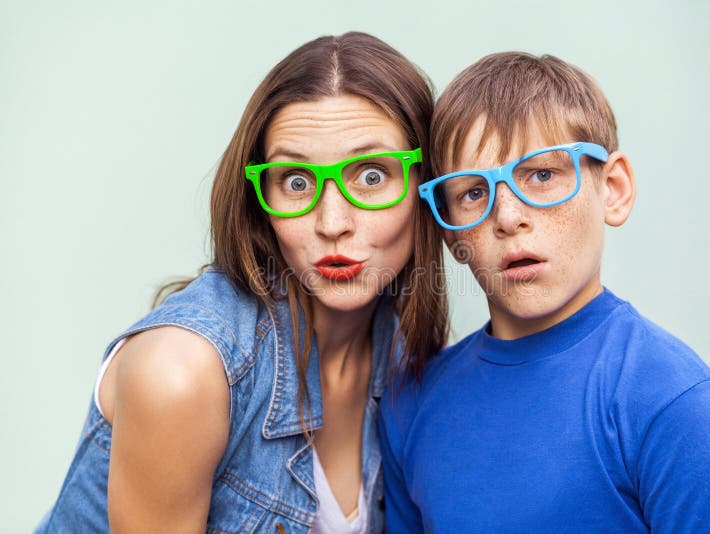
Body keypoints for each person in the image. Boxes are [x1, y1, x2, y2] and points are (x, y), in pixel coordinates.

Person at [36, 32, 448, 534]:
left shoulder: (408, 355)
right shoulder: (182, 371)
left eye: (371, 175)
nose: (332, 221)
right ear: (260, 203)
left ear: (427, 185)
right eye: (296, 181)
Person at [379, 52, 710, 532]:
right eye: (473, 193)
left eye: (542, 175)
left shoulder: (674, 403)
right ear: (450, 233)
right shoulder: (410, 406)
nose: (508, 217)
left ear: (614, 188)